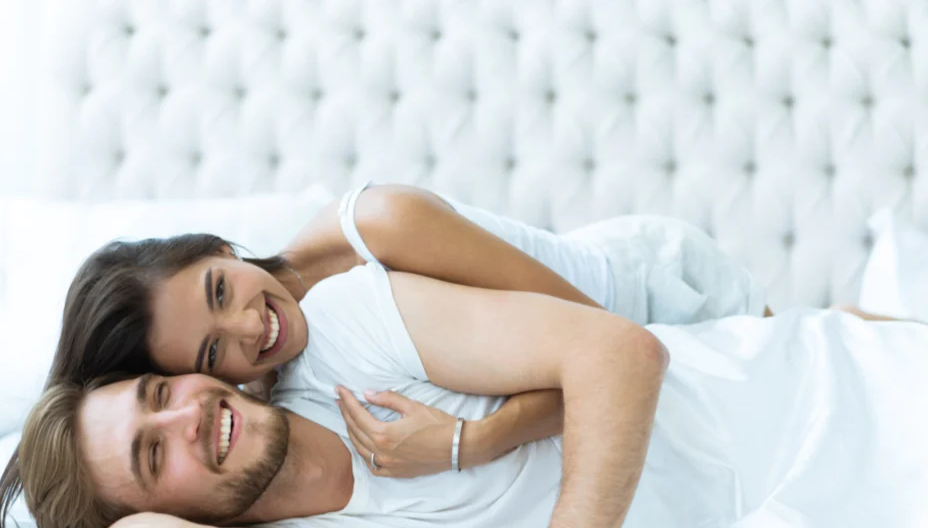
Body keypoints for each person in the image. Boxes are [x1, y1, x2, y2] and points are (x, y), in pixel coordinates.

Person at [0, 254, 928, 528]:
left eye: (164, 386)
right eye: (153, 451)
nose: (192, 411)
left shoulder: (351, 328)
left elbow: (618, 354)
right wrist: (96, 508)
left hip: (807, 403)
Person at [43, 182, 771, 476]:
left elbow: (602, 348)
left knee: (839, 344)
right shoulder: (264, 391)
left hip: (657, 293)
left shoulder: (380, 227)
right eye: (211, 350)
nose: (246, 325)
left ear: (220, 249)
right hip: (630, 356)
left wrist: (467, 443)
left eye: (220, 287)